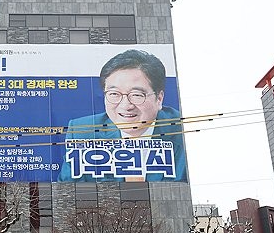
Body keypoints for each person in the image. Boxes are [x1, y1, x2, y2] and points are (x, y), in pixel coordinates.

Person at [60, 49, 189, 182]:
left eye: (137, 95)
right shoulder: (83, 132)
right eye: (114, 94)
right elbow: (69, 192)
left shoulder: (186, 132)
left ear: (159, 99)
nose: (126, 106)